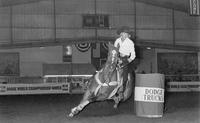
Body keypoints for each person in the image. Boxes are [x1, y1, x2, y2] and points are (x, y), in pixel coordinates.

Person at [114, 26, 136, 98]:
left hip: (125, 59)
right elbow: (114, 50)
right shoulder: (117, 40)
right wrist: (116, 57)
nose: (125, 35)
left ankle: (122, 91)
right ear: (121, 34)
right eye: (124, 33)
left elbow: (133, 55)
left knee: (125, 74)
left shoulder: (130, 43)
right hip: (117, 57)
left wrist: (127, 60)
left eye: (126, 34)